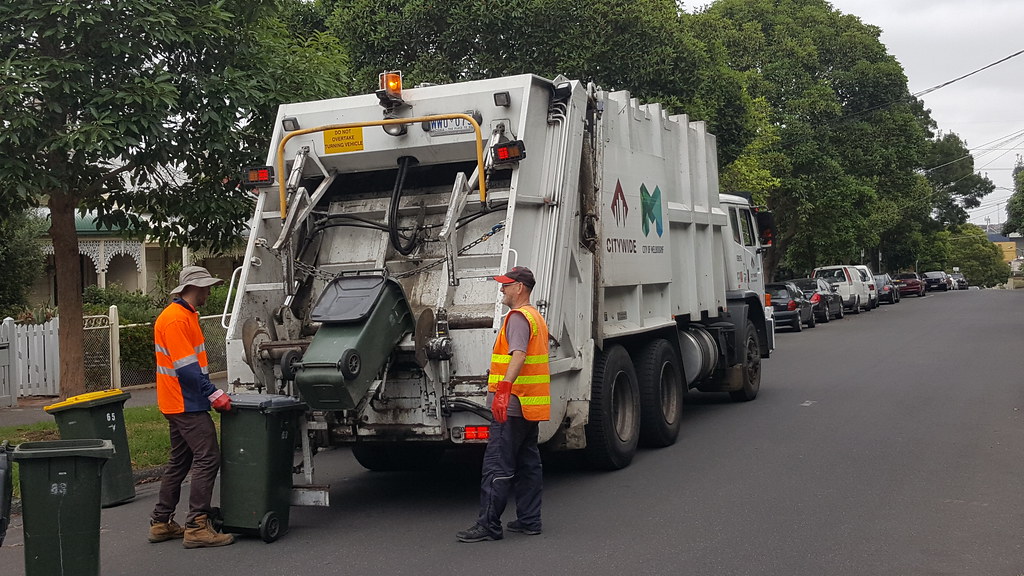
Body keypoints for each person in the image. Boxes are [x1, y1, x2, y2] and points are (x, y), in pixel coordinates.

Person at [457, 266, 550, 542]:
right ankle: (530, 520)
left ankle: (488, 525)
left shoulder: (518, 318)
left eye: (506, 285)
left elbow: (518, 355)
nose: (501, 290)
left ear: (519, 287)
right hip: (527, 405)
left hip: (510, 405)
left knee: (497, 464)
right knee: (528, 464)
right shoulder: (535, 317)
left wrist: (503, 389)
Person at [148, 266, 235, 548]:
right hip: (186, 402)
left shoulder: (185, 315)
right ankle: (197, 525)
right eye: (208, 287)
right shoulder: (175, 320)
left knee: (180, 461)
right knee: (208, 457)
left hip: (178, 401)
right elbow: (186, 368)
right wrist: (214, 394)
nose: (210, 291)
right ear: (195, 288)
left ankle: (161, 522)